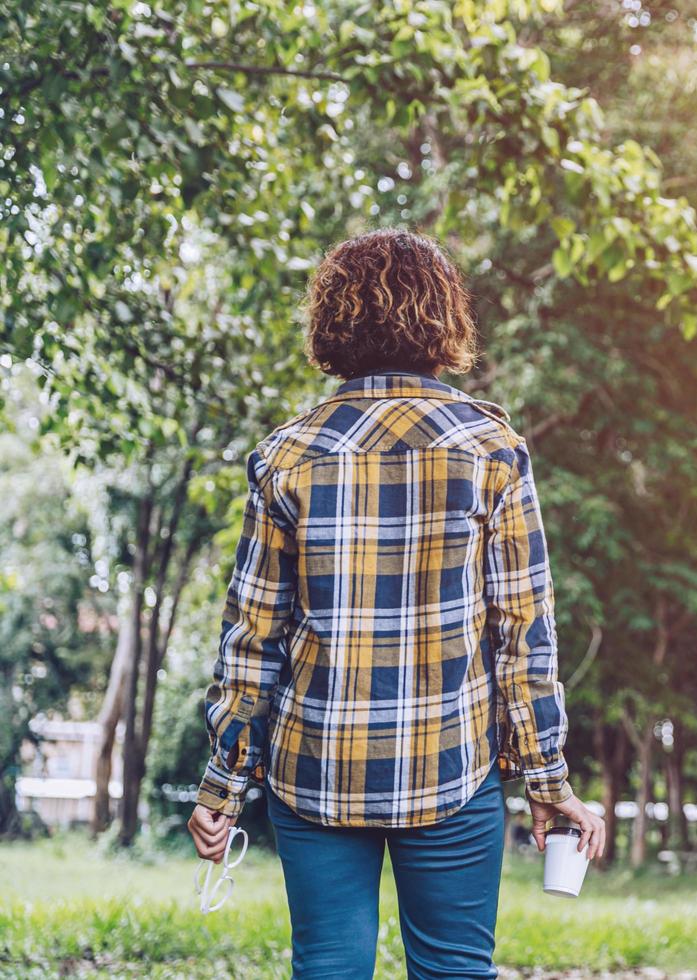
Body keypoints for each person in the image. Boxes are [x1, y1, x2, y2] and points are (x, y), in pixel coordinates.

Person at [186, 228, 605, 978]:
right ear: (444, 319)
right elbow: (523, 638)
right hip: (452, 768)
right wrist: (548, 781)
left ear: (333, 323)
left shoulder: (285, 456)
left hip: (315, 773)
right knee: (452, 969)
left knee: (329, 967)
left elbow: (252, 640)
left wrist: (223, 783)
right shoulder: (493, 452)